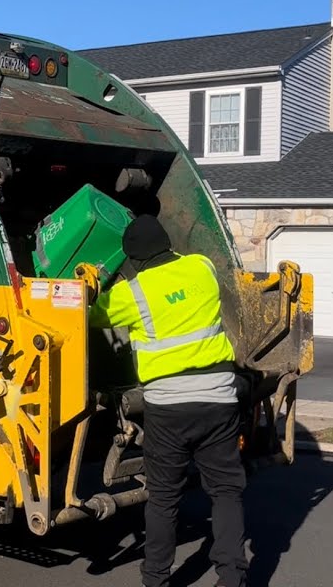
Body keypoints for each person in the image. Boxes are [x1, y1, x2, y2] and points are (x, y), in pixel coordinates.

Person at [79, 214, 247, 587]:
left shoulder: (132, 293)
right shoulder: (202, 268)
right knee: (225, 492)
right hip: (219, 397)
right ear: (167, 244)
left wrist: (88, 283)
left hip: (168, 409)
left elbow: (86, 317)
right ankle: (233, 577)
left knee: (163, 498)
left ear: (133, 260)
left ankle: (156, 579)